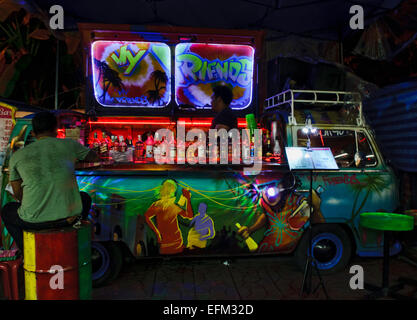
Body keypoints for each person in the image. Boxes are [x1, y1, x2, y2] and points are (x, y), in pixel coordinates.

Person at [1, 111, 99, 251]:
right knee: (84, 197)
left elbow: (17, 193)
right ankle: (74, 234)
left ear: (33, 133)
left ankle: (27, 251)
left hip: (34, 221)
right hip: (68, 217)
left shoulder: (18, 156)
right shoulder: (70, 145)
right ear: (56, 129)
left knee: (7, 210)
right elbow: (94, 157)